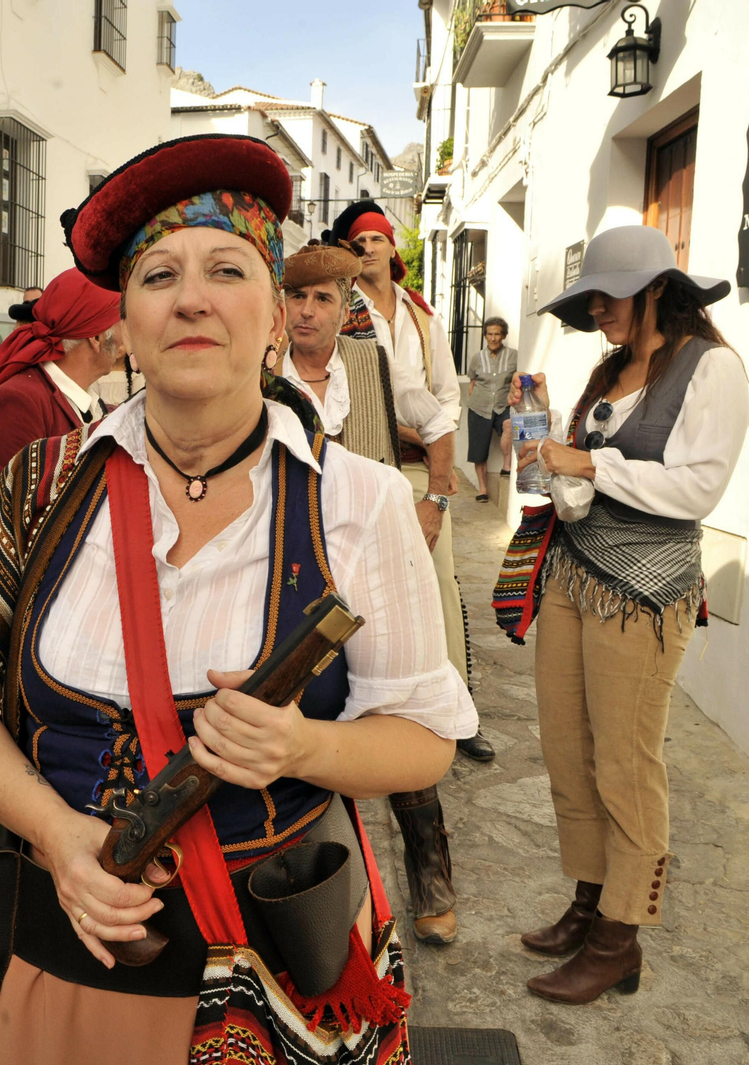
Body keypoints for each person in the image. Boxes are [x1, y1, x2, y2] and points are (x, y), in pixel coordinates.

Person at [0, 133, 477, 1064]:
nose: (193, 298)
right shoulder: (40, 490)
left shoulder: (361, 501)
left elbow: (425, 742)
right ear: (125, 323)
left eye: (228, 268)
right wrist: (56, 835)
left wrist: (304, 745)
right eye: (159, 275)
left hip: (273, 967)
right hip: (65, 955)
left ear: (274, 315)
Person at [511, 225, 749, 1004]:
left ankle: (619, 937)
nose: (596, 311)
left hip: (646, 592)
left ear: (653, 288)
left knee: (625, 760)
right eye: (590, 299)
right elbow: (583, 479)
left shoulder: (710, 368)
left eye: (607, 296)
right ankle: (588, 903)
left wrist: (590, 461)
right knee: (568, 750)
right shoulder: (610, 368)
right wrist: (547, 447)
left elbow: (695, 492)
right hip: (574, 579)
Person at [278, 244, 489, 947]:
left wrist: (434, 497)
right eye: (296, 298)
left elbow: (435, 419)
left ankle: (432, 882)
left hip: (372, 573)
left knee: (398, 713)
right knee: (300, 728)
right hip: (288, 576)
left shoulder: (371, 364)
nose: (307, 311)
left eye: (322, 300)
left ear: (344, 308)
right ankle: (317, 897)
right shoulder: (255, 374)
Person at [333, 202, 477, 758]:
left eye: (376, 238)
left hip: (420, 465)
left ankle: (457, 708)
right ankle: (374, 706)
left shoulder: (423, 316)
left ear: (393, 248)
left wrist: (432, 454)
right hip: (365, 457)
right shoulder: (342, 310)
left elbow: (446, 394)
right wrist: (399, 428)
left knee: (438, 579)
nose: (367, 246)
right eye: (358, 240)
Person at [0, 269, 123, 485]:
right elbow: (7, 510)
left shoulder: (89, 401)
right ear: (96, 337)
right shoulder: (17, 403)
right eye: (122, 318)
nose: (128, 329)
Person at [466, 316, 517, 502]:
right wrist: (473, 400)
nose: (493, 338)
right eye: (489, 334)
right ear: (485, 336)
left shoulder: (513, 355)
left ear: (503, 336)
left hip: (503, 405)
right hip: (479, 407)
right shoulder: (477, 358)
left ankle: (507, 466)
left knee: (510, 425)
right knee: (478, 451)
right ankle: (482, 488)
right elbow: (472, 381)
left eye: (497, 334)